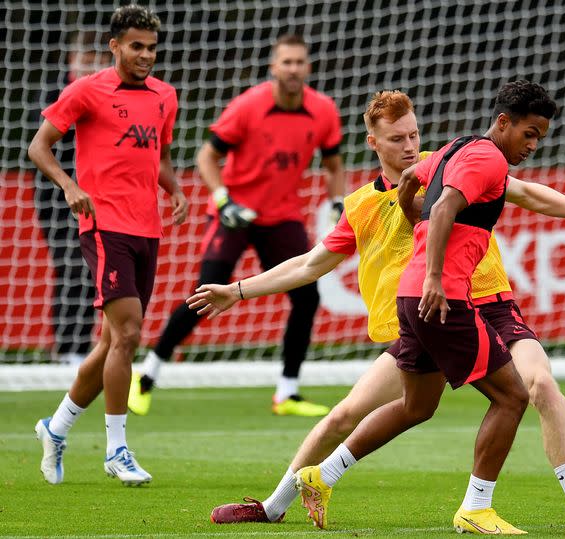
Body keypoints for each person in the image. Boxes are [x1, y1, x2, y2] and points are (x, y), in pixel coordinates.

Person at [190, 90, 565, 532]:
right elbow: (310, 264)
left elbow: (525, 193)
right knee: (350, 413)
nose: (408, 146)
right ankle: (275, 505)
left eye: (413, 135)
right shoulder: (362, 206)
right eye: (396, 139)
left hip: (488, 303)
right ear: (373, 143)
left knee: (539, 383)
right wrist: (239, 289)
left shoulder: (448, 161)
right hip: (431, 313)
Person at [128, 33, 345, 418]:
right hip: (234, 215)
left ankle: (287, 393)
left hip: (282, 217)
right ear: (274, 68)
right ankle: (145, 376)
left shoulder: (324, 111)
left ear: (308, 68)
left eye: (300, 62)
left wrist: (336, 205)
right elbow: (206, 158)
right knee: (204, 294)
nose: (294, 69)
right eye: (287, 62)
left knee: (307, 298)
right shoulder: (248, 106)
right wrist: (223, 199)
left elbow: (333, 166)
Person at [27, 4, 188, 486]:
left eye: (151, 48)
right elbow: (39, 146)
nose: (145, 56)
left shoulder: (165, 96)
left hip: (147, 227)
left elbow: (154, 152)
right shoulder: (86, 91)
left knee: (111, 343)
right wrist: (69, 186)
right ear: (115, 45)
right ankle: (117, 448)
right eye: (136, 46)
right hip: (103, 224)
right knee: (131, 333)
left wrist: (174, 189)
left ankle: (55, 429)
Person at [30, 31, 111, 365]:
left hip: (96, 197)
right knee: (69, 267)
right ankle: (67, 349)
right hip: (56, 197)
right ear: (72, 61)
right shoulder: (57, 94)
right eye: (86, 59)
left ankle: (79, 347)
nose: (92, 66)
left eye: (98, 60)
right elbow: (41, 146)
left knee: (92, 270)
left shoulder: (108, 97)